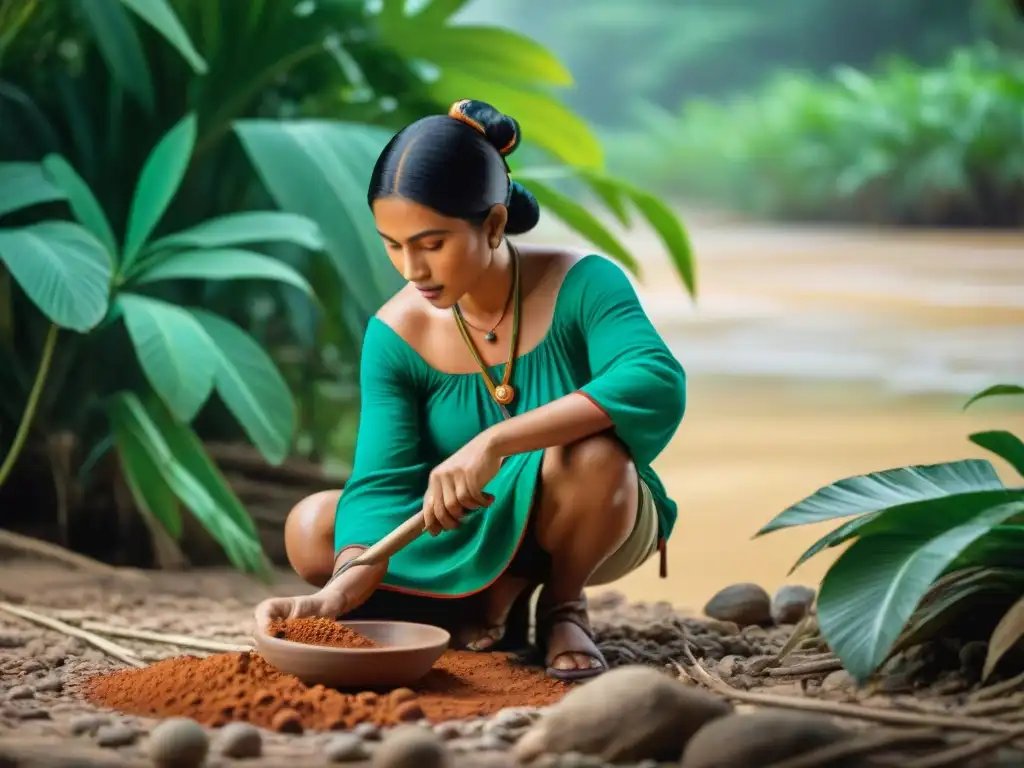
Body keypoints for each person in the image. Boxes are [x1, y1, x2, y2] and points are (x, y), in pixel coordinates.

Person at [254, 99, 686, 681]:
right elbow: (382, 481)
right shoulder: (395, 332)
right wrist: (344, 582)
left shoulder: (583, 283)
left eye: (431, 244)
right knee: (314, 528)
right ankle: (487, 601)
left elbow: (653, 378)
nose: (412, 269)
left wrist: (496, 443)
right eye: (393, 244)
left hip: (589, 511)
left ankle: (561, 605)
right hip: (469, 524)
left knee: (595, 457)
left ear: (493, 225)